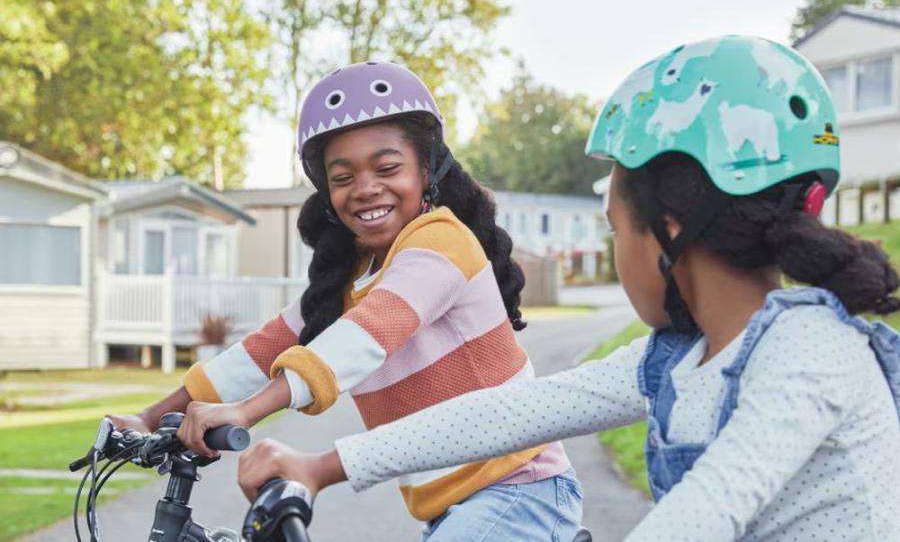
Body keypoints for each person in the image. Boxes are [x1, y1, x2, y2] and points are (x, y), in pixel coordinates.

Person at [235, 36, 900, 541]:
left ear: (667, 231)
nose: (616, 251)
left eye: (615, 228)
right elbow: (512, 412)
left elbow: (706, 511)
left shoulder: (809, 353)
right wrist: (322, 463)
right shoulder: (677, 358)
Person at [109, 61, 581, 541]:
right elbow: (262, 349)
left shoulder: (441, 242)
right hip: (455, 510)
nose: (366, 188)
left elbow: (363, 338)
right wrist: (148, 417)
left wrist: (247, 411)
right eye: (343, 176)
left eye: (387, 167)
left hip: (521, 490)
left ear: (427, 167)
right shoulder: (353, 276)